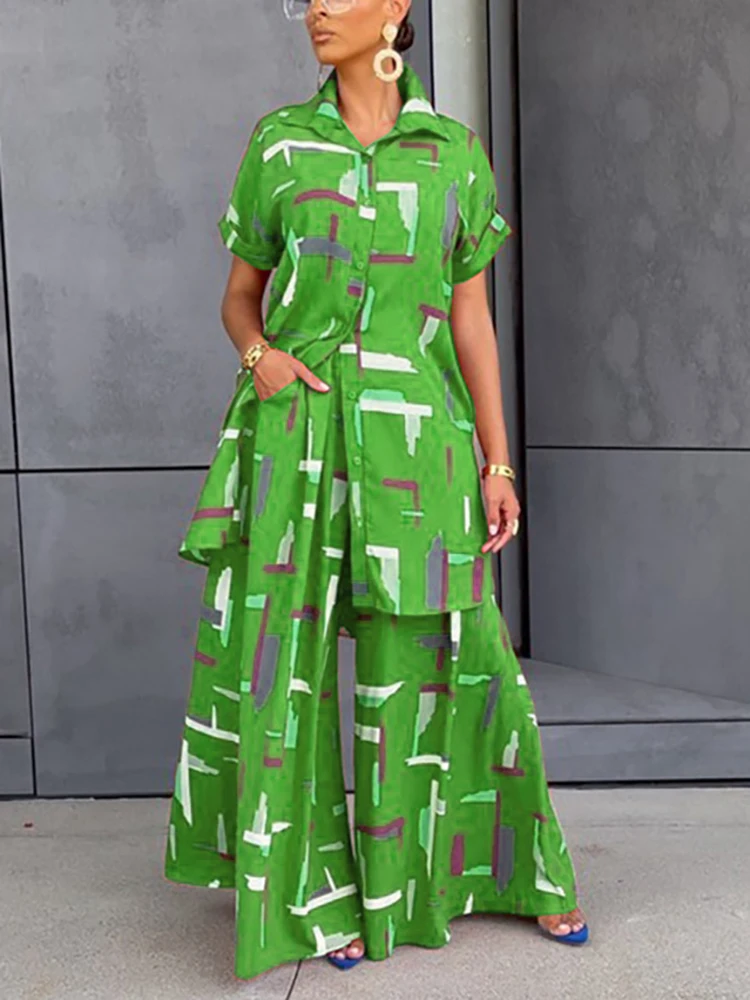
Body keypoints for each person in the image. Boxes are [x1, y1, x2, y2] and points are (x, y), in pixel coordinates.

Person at [163, 0, 588, 980]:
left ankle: (500, 872)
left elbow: (471, 319)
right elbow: (238, 297)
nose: (318, 7)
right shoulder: (280, 144)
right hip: (297, 435)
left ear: (395, 6)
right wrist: (262, 357)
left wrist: (496, 461)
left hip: (418, 446)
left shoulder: (454, 154)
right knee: (285, 672)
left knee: (446, 664)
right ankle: (313, 897)